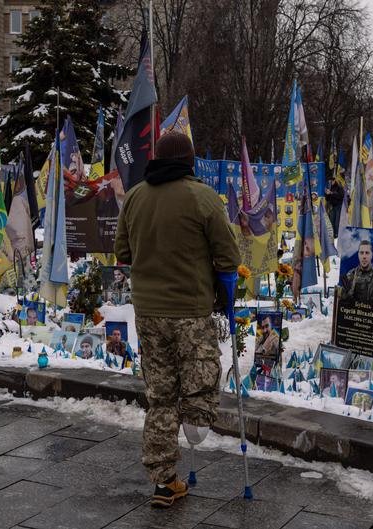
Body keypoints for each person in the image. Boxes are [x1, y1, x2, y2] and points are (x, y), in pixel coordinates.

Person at [114, 131, 240, 508]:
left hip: (149, 314)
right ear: (189, 160)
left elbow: (122, 250)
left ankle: (164, 482)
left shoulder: (135, 197)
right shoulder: (202, 197)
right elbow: (228, 256)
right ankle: (195, 425)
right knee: (200, 382)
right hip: (190, 311)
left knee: (160, 396)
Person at [341, 240, 373, 313]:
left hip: (372, 321)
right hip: (351, 320)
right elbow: (342, 307)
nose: (364, 256)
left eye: (367, 253)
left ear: (371, 255)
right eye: (361, 253)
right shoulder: (350, 275)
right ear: (358, 255)